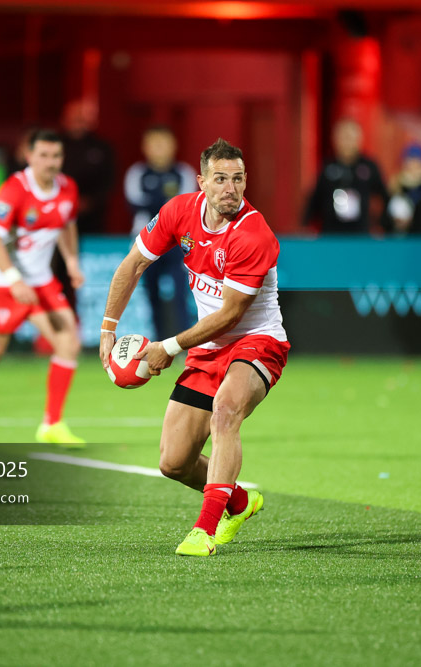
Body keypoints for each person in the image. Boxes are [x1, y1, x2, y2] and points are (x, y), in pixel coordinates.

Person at [100, 138, 289, 557]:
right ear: (201, 181)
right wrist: (107, 329)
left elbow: (230, 316)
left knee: (225, 413)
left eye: (238, 179)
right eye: (220, 179)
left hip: (257, 342)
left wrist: (168, 346)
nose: (230, 188)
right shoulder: (178, 212)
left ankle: (203, 530)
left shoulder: (253, 234)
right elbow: (132, 265)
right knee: (174, 462)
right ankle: (238, 503)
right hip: (207, 348)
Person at [0, 129, 86, 447]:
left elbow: (67, 224)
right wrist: (14, 279)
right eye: (43, 155)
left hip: (40, 282)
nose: (50, 162)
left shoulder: (68, 188)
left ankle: (51, 425)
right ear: (28, 156)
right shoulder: (15, 190)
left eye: (56, 156)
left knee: (68, 342)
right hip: (2, 283)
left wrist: (71, 262)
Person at [123, 124, 197, 338]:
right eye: (154, 144)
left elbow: (184, 206)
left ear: (174, 146)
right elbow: (135, 203)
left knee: (181, 292)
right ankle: (157, 340)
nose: (159, 149)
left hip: (176, 241)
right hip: (145, 241)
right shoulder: (137, 173)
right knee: (151, 293)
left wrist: (158, 204)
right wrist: (166, 205)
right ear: (145, 147)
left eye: (163, 144)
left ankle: (184, 342)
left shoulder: (184, 173)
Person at [301, 118, 389, 234]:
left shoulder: (369, 166)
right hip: (331, 233)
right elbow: (315, 199)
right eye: (343, 137)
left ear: (359, 140)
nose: (347, 142)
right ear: (335, 140)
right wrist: (306, 225)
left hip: (360, 233)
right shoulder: (328, 167)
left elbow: (385, 196)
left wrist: (383, 225)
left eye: (350, 138)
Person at [60, 99, 115, 234]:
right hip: (59, 212)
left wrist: (90, 201)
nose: (77, 123)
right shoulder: (56, 146)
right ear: (65, 119)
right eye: (74, 118)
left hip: (93, 216)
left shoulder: (102, 148)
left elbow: (109, 179)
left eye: (81, 119)